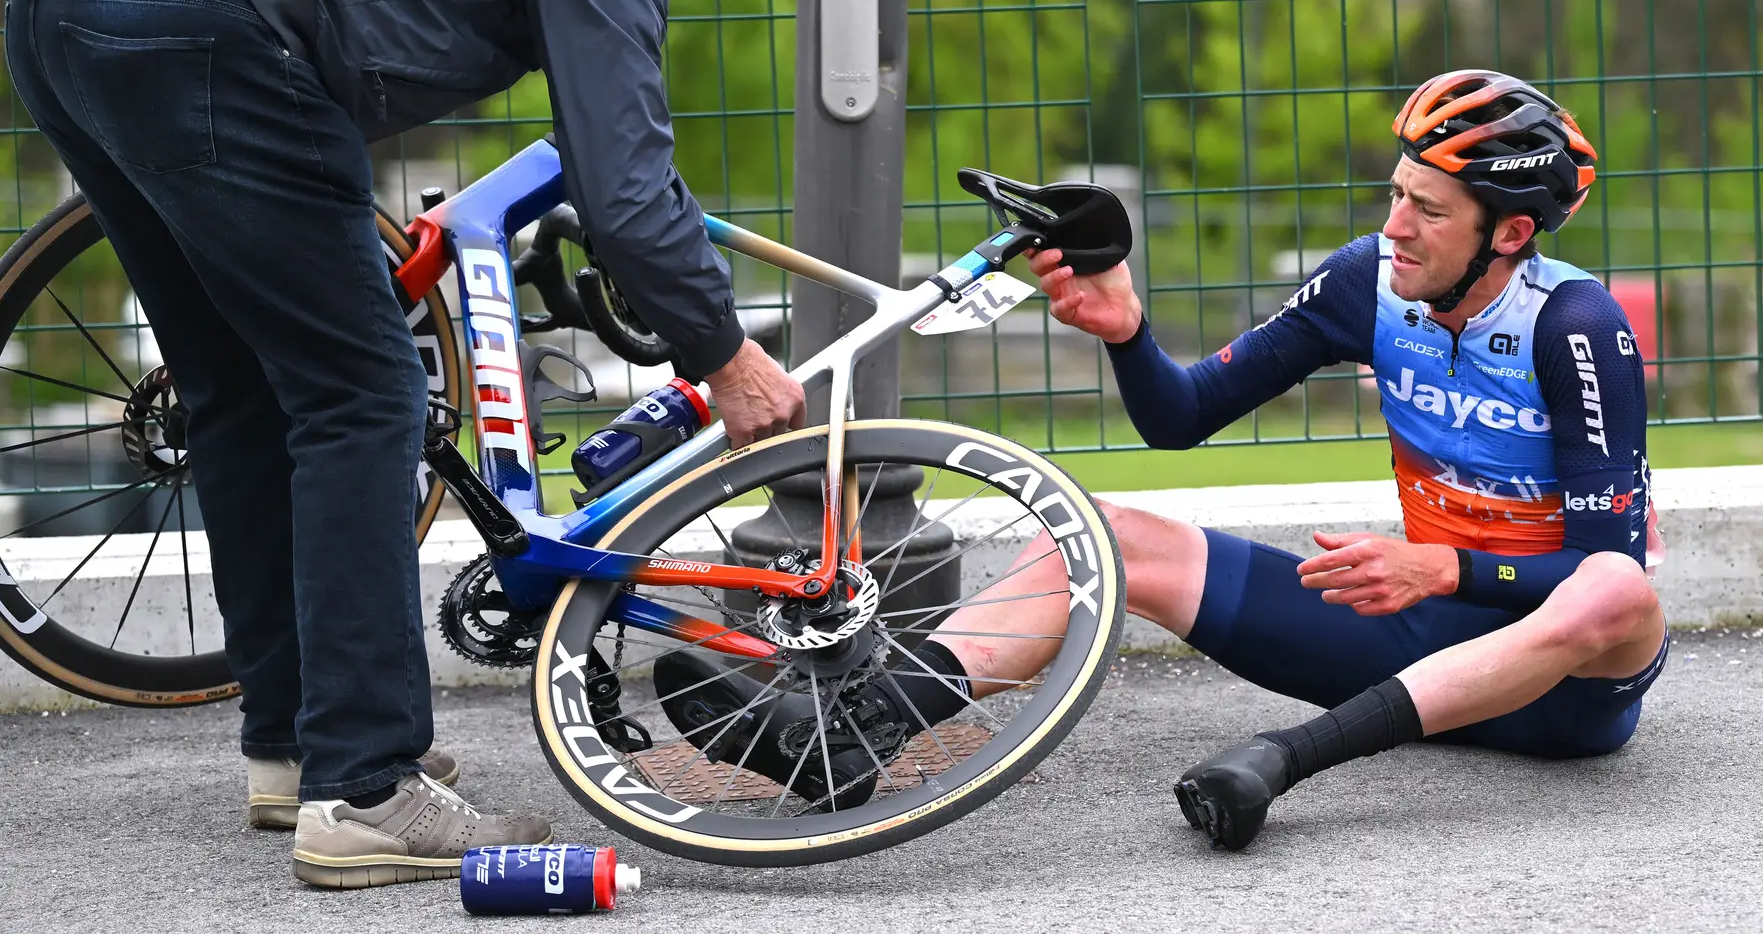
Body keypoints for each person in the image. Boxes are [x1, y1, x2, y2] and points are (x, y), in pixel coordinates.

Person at [2, 0, 806, 888]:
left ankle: (293, 749)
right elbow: (623, 175)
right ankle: (367, 785)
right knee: (367, 395)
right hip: (216, 22)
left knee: (240, 383)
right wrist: (724, 352)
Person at [659, 69, 1669, 850]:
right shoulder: (1368, 282)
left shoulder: (1576, 326)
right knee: (1103, 535)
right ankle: (847, 735)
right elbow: (1181, 416)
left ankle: (1281, 761)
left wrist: (1442, 564)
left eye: (1430, 211)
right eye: (1397, 194)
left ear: (1513, 233)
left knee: (1620, 589)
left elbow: (1594, 574)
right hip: (1423, 637)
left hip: (1562, 680)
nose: (1395, 225)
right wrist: (1127, 332)